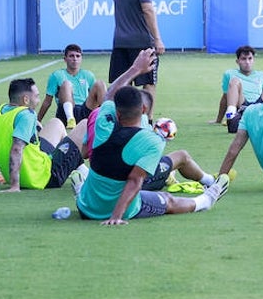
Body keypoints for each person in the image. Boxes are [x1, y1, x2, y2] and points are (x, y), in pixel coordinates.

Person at [76, 84, 227, 224]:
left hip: (85, 207)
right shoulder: (152, 140)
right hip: (124, 201)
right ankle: (206, 200)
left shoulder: (103, 120)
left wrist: (135, 69)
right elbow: (135, 180)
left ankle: (81, 188)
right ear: (143, 109)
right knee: (168, 198)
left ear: (116, 110)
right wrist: (116, 216)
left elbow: (108, 97)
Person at [0, 77, 81, 192]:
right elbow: (17, 148)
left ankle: (79, 170)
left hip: (21, 172)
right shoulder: (26, 114)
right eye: (37, 97)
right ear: (26, 100)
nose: (38, 100)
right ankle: (83, 174)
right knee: (85, 125)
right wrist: (14, 186)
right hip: (43, 177)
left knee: (56, 123)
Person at [110, 0, 163, 108]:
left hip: (119, 43)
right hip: (141, 44)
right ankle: (147, 122)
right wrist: (157, 39)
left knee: (122, 84)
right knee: (149, 84)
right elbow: (147, 10)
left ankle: (122, 122)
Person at [38, 43, 106, 130]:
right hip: (65, 112)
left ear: (81, 59)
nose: (75, 59)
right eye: (71, 56)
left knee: (100, 84)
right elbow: (47, 101)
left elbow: (95, 98)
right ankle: (70, 119)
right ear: (65, 59)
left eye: (78, 56)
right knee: (67, 84)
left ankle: (106, 119)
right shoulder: (57, 75)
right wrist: (38, 120)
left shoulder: (88, 75)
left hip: (84, 110)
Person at [215, 45, 263, 132]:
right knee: (235, 81)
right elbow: (225, 97)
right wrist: (218, 120)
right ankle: (231, 118)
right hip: (242, 105)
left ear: (253, 60)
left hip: (257, 106)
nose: (247, 62)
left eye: (250, 58)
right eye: (244, 59)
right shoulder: (230, 74)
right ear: (237, 61)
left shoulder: (262, 75)